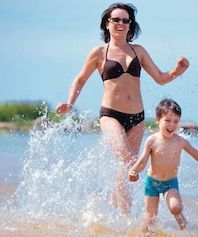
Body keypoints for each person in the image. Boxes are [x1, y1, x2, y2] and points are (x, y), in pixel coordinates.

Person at [56, 3, 189, 215]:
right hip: (110, 115)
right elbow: (80, 80)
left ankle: (117, 209)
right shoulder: (99, 52)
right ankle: (124, 216)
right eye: (115, 20)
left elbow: (161, 78)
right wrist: (70, 103)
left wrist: (177, 71)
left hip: (137, 117)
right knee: (126, 160)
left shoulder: (139, 51)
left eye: (125, 20)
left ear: (130, 26)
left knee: (127, 167)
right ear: (107, 24)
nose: (120, 23)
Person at [128, 98, 198, 235]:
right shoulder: (152, 141)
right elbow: (142, 161)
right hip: (152, 182)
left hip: (170, 183)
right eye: (167, 120)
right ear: (158, 120)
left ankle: (178, 215)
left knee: (176, 207)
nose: (172, 125)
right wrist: (133, 171)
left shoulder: (180, 142)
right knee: (150, 218)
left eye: (176, 121)